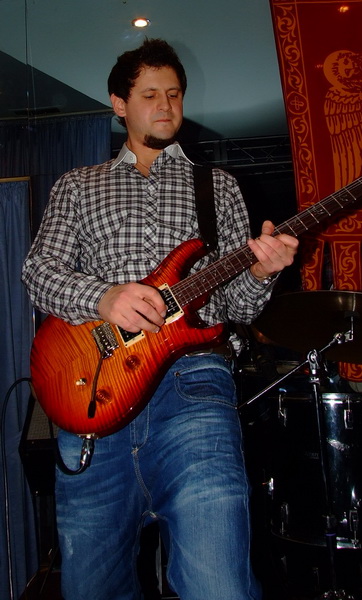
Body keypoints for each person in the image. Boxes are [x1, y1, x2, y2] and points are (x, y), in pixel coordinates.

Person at [21, 38, 298, 600]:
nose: (166, 105)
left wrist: (261, 273)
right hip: (93, 389)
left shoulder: (218, 187)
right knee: (92, 586)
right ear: (119, 104)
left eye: (173, 94)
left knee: (219, 583)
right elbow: (38, 272)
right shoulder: (78, 185)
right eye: (150, 95)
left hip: (194, 386)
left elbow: (237, 309)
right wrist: (104, 298)